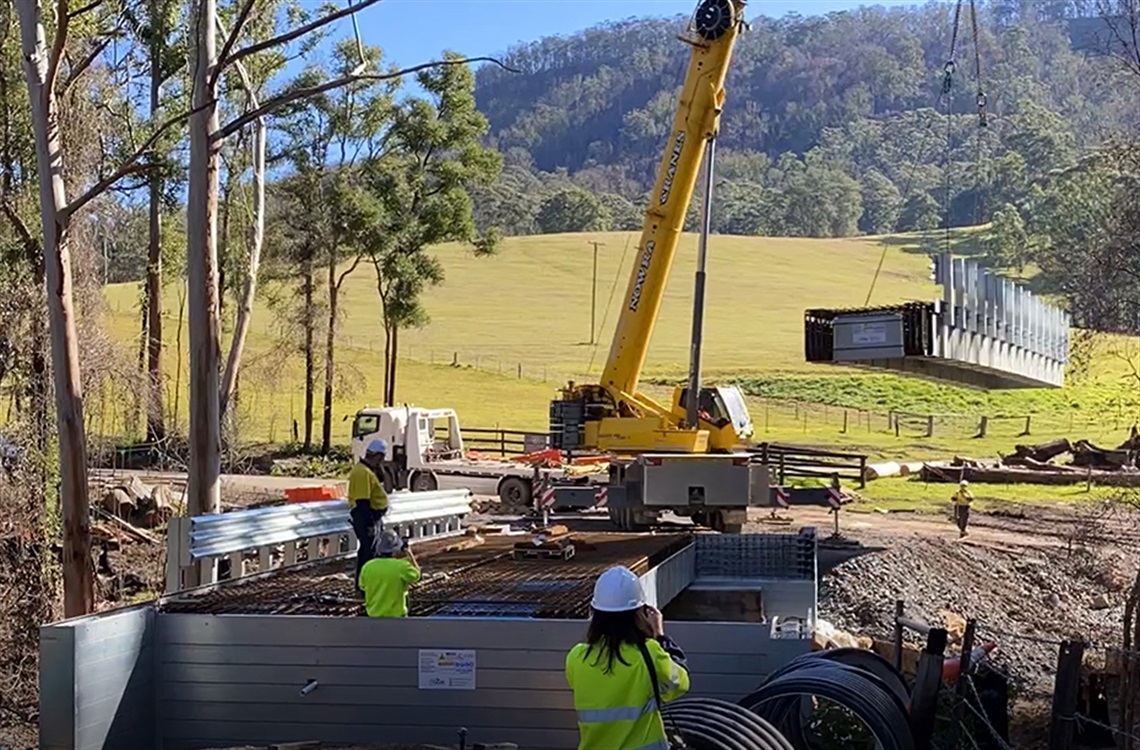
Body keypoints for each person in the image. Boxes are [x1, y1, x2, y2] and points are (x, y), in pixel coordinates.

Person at [565, 566, 690, 750]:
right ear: (639, 613)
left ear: (595, 613)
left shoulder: (576, 656)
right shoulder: (649, 653)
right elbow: (680, 683)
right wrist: (660, 636)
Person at [348, 438, 390, 587]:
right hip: (366, 516)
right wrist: (369, 523)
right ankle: (363, 584)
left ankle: (367, 583)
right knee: (367, 552)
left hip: (372, 516)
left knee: (372, 550)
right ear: (378, 456)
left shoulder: (367, 470)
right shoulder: (362, 473)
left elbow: (381, 479)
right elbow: (362, 502)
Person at [359, 529, 421, 618]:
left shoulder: (367, 566)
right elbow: (417, 576)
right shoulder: (401, 567)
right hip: (397, 617)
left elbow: (363, 586)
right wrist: (409, 553)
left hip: (373, 616)